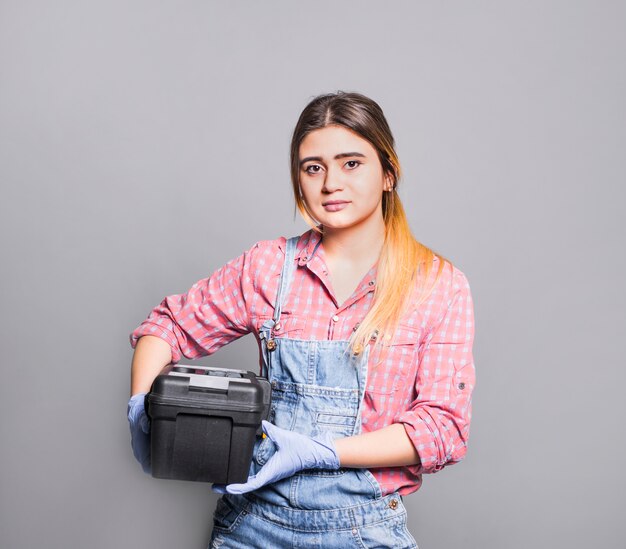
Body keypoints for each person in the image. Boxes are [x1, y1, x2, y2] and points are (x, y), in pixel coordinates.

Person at [128, 91, 475, 548]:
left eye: (351, 163)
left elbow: (442, 428)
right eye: (313, 167)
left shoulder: (437, 285)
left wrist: (321, 452)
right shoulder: (269, 267)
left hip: (364, 531)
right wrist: (141, 403)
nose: (331, 182)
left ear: (388, 174)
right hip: (251, 527)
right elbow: (168, 326)